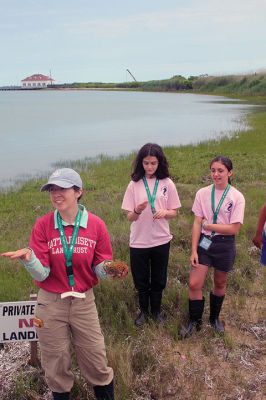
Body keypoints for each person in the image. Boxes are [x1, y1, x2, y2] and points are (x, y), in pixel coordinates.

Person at [1, 168, 127, 400]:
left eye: (62, 188)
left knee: (95, 358)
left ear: (79, 192)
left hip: (84, 302)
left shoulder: (96, 225)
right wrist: (29, 259)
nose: (56, 194)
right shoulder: (43, 225)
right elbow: (42, 274)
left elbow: (99, 265)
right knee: (55, 362)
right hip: (50, 303)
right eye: (52, 189)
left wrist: (109, 270)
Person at [180, 156, 245, 338]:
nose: (216, 174)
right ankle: (195, 321)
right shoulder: (202, 193)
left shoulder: (237, 197)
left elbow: (235, 228)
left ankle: (214, 319)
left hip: (225, 244)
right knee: (194, 283)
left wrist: (210, 226)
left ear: (230, 173)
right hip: (205, 242)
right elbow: (196, 223)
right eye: (213, 170)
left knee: (220, 282)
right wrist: (193, 249)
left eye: (221, 171)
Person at [121, 143, 181, 326]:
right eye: (146, 163)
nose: (149, 167)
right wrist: (138, 210)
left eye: (153, 163)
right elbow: (130, 217)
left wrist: (165, 213)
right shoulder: (134, 184)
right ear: (140, 163)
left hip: (161, 239)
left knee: (158, 278)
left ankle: (156, 312)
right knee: (140, 279)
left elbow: (175, 212)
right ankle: (143, 312)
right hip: (139, 241)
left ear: (159, 162)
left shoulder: (167, 183)